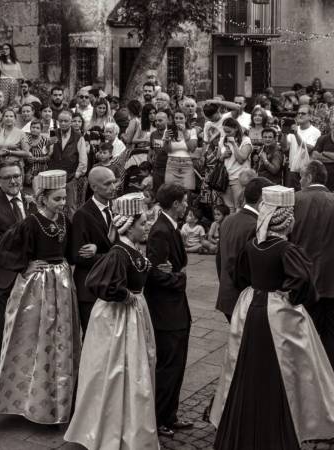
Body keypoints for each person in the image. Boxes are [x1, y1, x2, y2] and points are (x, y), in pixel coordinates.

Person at [210, 185, 334, 450]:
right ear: (288, 218)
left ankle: (245, 418)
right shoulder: (287, 249)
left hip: (251, 309)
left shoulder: (253, 245)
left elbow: (239, 274)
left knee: (247, 364)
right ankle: (285, 423)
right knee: (286, 369)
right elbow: (304, 287)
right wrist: (292, 298)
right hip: (279, 315)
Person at [65, 193, 159, 450]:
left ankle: (129, 425)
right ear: (129, 225)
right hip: (117, 320)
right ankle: (106, 428)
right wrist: (126, 295)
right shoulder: (119, 253)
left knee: (133, 369)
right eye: (142, 223)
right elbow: (98, 283)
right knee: (114, 370)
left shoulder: (131, 250)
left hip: (133, 315)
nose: (147, 226)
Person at [0, 169, 80, 424]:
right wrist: (25, 266)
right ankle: (29, 398)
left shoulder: (64, 220)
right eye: (57, 200)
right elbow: (2, 249)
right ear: (42, 199)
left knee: (61, 336)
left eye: (64, 199)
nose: (62, 204)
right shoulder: (30, 222)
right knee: (35, 337)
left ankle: (60, 395)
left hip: (62, 283)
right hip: (38, 287)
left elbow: (71, 249)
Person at [290, 161, 334, 384]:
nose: (299, 182)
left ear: (308, 178)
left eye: (301, 177)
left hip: (302, 283)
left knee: (303, 333)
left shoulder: (293, 202)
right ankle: (332, 382)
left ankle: (305, 382)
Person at [145, 183, 193, 437]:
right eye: (184, 202)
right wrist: (180, 278)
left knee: (177, 365)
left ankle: (170, 415)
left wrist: (175, 273)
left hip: (176, 309)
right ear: (175, 204)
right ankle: (160, 417)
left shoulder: (170, 228)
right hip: (165, 313)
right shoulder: (160, 232)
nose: (186, 206)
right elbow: (154, 274)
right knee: (167, 367)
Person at [0, 162, 35, 361]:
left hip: (29, 277)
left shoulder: (31, 201)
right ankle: (0, 376)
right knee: (2, 329)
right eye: (8, 177)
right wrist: (0, 241)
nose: (14, 181)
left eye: (17, 175)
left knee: (27, 327)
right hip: (2, 278)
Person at [216, 177, 273, 322]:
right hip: (244, 298)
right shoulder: (256, 225)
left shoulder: (228, 220)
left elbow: (219, 259)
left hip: (226, 294)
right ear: (262, 199)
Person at [70, 166, 117, 332]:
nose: (113, 187)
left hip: (110, 286)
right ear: (94, 187)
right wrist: (112, 258)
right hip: (90, 288)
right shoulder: (82, 215)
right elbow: (78, 256)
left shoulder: (114, 209)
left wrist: (99, 250)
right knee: (92, 339)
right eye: (107, 184)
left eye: (114, 182)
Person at [47, 110, 87, 218]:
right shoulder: (54, 133)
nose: (63, 123)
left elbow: (83, 159)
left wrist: (76, 175)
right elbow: (47, 153)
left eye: (66, 121)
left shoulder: (78, 136)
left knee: (71, 207)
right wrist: (48, 145)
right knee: (53, 206)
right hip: (54, 177)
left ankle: (73, 231)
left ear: (71, 122)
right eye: (61, 121)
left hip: (70, 177)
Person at [284, 104, 321, 190]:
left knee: (305, 199)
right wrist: (284, 134)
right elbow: (285, 147)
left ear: (310, 116)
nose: (300, 115)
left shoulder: (315, 131)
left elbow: (309, 148)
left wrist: (296, 134)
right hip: (292, 170)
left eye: (303, 113)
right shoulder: (293, 129)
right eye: (298, 113)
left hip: (307, 171)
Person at [219, 117, 252, 212]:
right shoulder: (222, 140)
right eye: (225, 131)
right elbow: (218, 159)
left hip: (239, 178)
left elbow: (241, 159)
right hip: (225, 178)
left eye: (229, 131)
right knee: (229, 207)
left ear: (236, 129)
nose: (227, 134)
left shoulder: (246, 140)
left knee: (239, 206)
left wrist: (233, 144)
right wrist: (223, 156)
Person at [164, 109, 197, 191]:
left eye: (181, 118)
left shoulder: (192, 131)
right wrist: (167, 140)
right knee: (170, 192)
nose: (178, 120)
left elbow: (192, 149)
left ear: (186, 119)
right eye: (176, 118)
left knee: (187, 192)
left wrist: (185, 132)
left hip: (186, 164)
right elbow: (167, 150)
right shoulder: (169, 130)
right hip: (171, 164)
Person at [0, 43, 24, 108]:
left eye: (7, 49)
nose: (5, 50)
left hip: (14, 83)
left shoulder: (15, 62)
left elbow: (20, 75)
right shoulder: (0, 60)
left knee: (13, 103)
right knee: (3, 101)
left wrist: (22, 84)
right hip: (4, 82)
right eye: (3, 49)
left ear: (10, 50)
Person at [26, 119, 50, 184]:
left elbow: (48, 157)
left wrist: (35, 159)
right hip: (28, 170)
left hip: (42, 170)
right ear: (30, 128)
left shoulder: (45, 141)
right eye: (33, 127)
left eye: (37, 128)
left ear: (41, 130)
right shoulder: (26, 139)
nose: (35, 129)